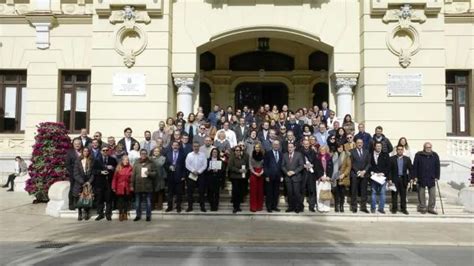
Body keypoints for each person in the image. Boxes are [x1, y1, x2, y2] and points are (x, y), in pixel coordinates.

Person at [413, 142, 440, 215]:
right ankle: (423, 207)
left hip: (431, 177)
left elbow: (437, 166)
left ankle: (431, 208)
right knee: (421, 193)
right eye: (427, 147)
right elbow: (415, 166)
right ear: (424, 148)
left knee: (432, 194)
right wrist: (415, 176)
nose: (428, 149)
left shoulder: (435, 155)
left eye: (430, 147)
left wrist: (437, 176)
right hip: (421, 177)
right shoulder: (418, 155)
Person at [92, 146, 117, 221]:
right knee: (100, 199)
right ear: (101, 151)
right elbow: (93, 171)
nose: (105, 151)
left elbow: (117, 170)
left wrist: (112, 168)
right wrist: (100, 172)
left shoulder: (112, 159)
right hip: (100, 183)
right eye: (104, 150)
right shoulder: (97, 160)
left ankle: (108, 214)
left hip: (109, 182)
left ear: (109, 151)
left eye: (107, 150)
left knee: (109, 199)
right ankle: (100, 214)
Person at [131, 149, 156, 221]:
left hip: (148, 185)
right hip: (138, 185)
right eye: (142, 153)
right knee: (137, 202)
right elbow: (133, 175)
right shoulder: (136, 163)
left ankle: (148, 216)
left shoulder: (151, 163)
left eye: (145, 153)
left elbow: (155, 173)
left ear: (147, 154)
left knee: (148, 201)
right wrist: (132, 185)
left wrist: (149, 173)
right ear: (140, 154)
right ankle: (138, 215)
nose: (143, 155)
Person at [388, 145, 413, 215]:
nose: (400, 151)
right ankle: (394, 209)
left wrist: (410, 179)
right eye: (398, 149)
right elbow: (389, 170)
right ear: (396, 150)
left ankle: (403, 209)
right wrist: (389, 179)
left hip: (403, 179)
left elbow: (411, 169)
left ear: (403, 150)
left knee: (403, 195)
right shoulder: (391, 159)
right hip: (394, 179)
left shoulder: (407, 159)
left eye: (401, 149)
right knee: (394, 195)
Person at [185, 142, 208, 212]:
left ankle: (202, 206)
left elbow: (205, 165)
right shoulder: (189, 155)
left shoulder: (203, 155)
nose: (196, 148)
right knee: (190, 192)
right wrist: (193, 170)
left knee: (201, 191)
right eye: (195, 146)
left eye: (197, 146)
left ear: (199, 147)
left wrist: (199, 171)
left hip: (200, 175)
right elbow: (187, 164)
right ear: (192, 147)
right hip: (191, 175)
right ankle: (190, 207)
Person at [281, 142, 305, 213]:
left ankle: (298, 207)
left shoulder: (299, 154)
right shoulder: (284, 155)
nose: (290, 148)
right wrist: (286, 172)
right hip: (288, 177)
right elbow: (282, 166)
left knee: (297, 193)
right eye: (289, 147)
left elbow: (301, 165)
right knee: (289, 193)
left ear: (294, 147)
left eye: (291, 147)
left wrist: (294, 172)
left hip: (296, 177)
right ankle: (291, 207)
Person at [164, 141, 187, 213]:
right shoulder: (168, 154)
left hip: (179, 176)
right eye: (174, 145)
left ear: (179, 146)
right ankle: (169, 207)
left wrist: (183, 176)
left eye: (176, 145)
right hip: (170, 176)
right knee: (170, 193)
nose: (175, 146)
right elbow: (165, 165)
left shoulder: (183, 154)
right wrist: (169, 167)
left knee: (179, 193)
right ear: (172, 146)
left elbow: (184, 166)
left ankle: (178, 207)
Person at [350, 138, 371, 213]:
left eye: (361, 142)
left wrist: (364, 171)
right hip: (355, 174)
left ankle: (363, 207)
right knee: (354, 191)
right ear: (355, 143)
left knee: (364, 191)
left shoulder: (366, 152)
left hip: (364, 174)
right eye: (358, 142)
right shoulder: (352, 151)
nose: (359, 144)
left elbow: (368, 163)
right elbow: (351, 163)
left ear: (363, 144)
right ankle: (354, 207)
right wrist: (358, 172)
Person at [72, 148, 94, 221]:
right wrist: (82, 182)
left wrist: (89, 182)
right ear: (82, 152)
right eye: (84, 151)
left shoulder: (91, 161)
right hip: (79, 183)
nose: (86, 152)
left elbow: (93, 173)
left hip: (88, 183)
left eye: (87, 151)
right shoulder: (78, 161)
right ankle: (80, 213)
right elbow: (75, 173)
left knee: (87, 199)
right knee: (79, 200)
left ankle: (87, 213)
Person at [369, 142, 390, 214]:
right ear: (374, 147)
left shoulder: (385, 155)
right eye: (377, 146)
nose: (379, 147)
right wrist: (371, 172)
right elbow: (368, 164)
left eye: (380, 146)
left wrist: (383, 173)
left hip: (382, 177)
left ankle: (381, 208)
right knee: (373, 192)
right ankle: (373, 208)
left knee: (382, 193)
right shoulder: (370, 154)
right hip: (374, 177)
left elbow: (388, 166)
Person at [263, 140, 283, 213]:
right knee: (269, 193)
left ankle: (274, 206)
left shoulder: (281, 154)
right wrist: (267, 175)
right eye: (275, 144)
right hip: (270, 177)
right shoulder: (268, 153)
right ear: (272, 145)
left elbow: (281, 166)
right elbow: (265, 165)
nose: (276, 146)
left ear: (279, 145)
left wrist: (281, 176)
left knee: (276, 192)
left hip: (277, 177)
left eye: (277, 144)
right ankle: (269, 207)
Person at [228, 146, 249, 213]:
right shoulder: (232, 158)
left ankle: (238, 206)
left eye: (239, 150)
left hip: (242, 178)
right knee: (235, 192)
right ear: (234, 151)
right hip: (235, 178)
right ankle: (235, 207)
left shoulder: (243, 158)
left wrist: (246, 170)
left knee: (240, 192)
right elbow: (230, 167)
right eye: (236, 150)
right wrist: (238, 170)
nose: (238, 152)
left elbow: (247, 166)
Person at [111, 155, 133, 221]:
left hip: (127, 187)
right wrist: (113, 186)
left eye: (127, 160)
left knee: (126, 201)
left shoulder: (130, 168)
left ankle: (125, 213)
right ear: (122, 160)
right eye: (124, 160)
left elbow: (132, 178)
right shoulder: (118, 167)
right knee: (120, 201)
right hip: (119, 187)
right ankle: (120, 214)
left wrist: (132, 186)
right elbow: (115, 178)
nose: (126, 161)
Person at [331, 144, 351, 212]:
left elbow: (349, 166)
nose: (340, 148)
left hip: (343, 177)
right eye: (338, 147)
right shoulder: (334, 155)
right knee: (336, 193)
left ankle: (341, 206)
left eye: (341, 147)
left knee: (342, 193)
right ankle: (336, 206)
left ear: (343, 148)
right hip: (335, 177)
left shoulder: (346, 155)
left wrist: (344, 174)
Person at [300, 139, 318, 212]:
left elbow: (316, 162)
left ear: (309, 144)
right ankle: (301, 206)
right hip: (303, 173)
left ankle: (311, 206)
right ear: (303, 144)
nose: (306, 145)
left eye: (307, 144)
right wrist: (303, 165)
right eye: (305, 144)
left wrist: (312, 165)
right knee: (302, 190)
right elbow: (298, 161)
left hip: (311, 173)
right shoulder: (299, 152)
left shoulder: (313, 152)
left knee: (312, 191)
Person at [316, 145, 333, 213]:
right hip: (320, 178)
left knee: (327, 192)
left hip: (327, 177)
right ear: (319, 150)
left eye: (324, 149)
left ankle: (326, 207)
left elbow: (331, 168)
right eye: (321, 150)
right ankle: (320, 207)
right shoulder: (317, 158)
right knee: (319, 192)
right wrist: (320, 176)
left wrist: (329, 176)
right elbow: (316, 168)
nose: (322, 151)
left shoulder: (329, 158)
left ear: (326, 150)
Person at [66, 139, 82, 209]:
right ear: (73, 144)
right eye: (75, 144)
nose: (77, 145)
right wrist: (74, 174)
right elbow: (68, 165)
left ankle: (80, 204)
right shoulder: (70, 152)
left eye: (78, 143)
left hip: (82, 175)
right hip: (73, 175)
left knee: (81, 189)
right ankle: (71, 204)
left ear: (81, 144)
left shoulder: (83, 151)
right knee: (72, 189)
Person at [249, 143, 265, 212]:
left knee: (260, 191)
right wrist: (254, 172)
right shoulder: (251, 155)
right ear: (254, 148)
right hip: (253, 173)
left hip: (261, 173)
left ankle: (259, 207)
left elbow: (265, 165)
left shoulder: (263, 155)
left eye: (258, 147)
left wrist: (261, 172)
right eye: (256, 147)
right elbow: (250, 165)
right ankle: (253, 207)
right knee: (253, 191)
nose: (257, 148)